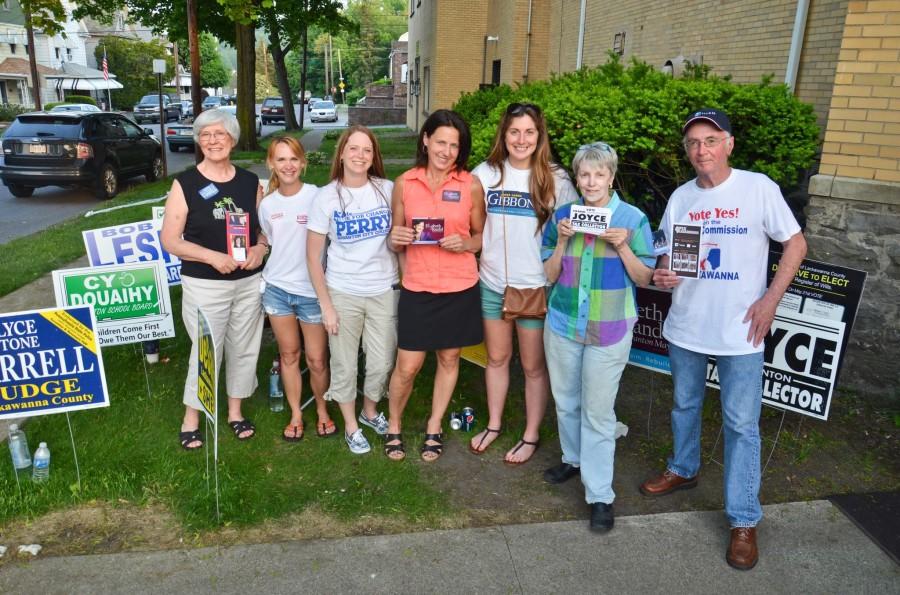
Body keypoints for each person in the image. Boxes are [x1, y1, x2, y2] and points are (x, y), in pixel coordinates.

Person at [640, 109, 807, 570]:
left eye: (710, 140)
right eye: (693, 142)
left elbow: (795, 243)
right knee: (684, 405)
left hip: (741, 331)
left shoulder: (758, 189)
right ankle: (684, 468)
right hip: (688, 325)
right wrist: (664, 272)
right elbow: (664, 252)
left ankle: (744, 520)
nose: (701, 150)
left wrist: (772, 299)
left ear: (728, 144)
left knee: (740, 425)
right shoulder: (680, 197)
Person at [541, 142, 655, 532]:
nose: (591, 182)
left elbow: (645, 278)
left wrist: (622, 245)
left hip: (610, 328)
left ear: (611, 176)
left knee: (598, 411)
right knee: (567, 400)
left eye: (599, 174)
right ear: (577, 177)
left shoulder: (632, 218)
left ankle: (601, 494)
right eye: (585, 175)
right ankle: (573, 459)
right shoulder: (563, 216)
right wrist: (559, 240)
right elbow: (549, 275)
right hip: (564, 323)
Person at [470, 102, 578, 464]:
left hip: (534, 286)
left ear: (539, 135)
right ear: (503, 133)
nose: (521, 139)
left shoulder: (555, 178)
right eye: (514, 131)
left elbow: (575, 230)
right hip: (492, 283)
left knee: (533, 366)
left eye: (529, 132)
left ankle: (531, 434)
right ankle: (495, 424)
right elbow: (470, 223)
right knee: (497, 359)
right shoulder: (485, 174)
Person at [160, 108, 267, 449]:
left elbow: (264, 230)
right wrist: (210, 256)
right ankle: (192, 417)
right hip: (205, 284)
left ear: (233, 139)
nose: (212, 141)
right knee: (206, 350)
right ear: (198, 141)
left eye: (219, 134)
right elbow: (170, 240)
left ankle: (235, 411)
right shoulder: (186, 184)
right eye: (205, 135)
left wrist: (260, 249)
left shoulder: (251, 183)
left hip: (248, 282)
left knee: (245, 347)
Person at [385, 109, 486, 462]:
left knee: (449, 356)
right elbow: (395, 239)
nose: (446, 150)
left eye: (454, 145)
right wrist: (396, 237)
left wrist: (466, 244)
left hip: (459, 286)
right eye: (440, 141)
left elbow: (480, 238)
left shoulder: (470, 184)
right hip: (418, 285)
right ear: (426, 140)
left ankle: (434, 425)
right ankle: (394, 425)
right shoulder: (404, 183)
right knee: (408, 365)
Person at [306, 126, 397, 455]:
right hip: (343, 290)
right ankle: (351, 426)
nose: (360, 155)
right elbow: (313, 257)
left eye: (367, 150)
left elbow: (399, 235)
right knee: (344, 363)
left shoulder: (388, 189)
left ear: (374, 157)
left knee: (383, 360)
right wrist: (326, 306)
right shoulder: (326, 197)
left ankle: (369, 410)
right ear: (341, 153)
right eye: (354, 149)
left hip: (382, 289)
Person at [259, 136, 336, 442]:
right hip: (277, 289)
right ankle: (295, 413)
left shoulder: (319, 197)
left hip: (312, 292)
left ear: (303, 162)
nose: (288, 165)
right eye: (281, 159)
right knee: (289, 354)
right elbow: (270, 241)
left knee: (316, 359)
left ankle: (322, 409)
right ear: (271, 164)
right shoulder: (267, 205)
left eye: (293, 159)